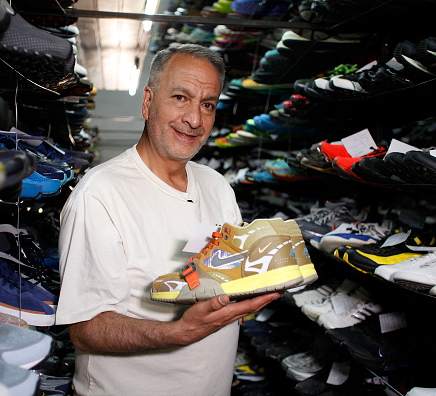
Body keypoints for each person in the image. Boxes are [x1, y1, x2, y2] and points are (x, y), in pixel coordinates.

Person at [55, 43, 280, 396]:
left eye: (208, 104)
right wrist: (179, 333)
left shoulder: (218, 186)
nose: (194, 119)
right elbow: (84, 327)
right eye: (180, 97)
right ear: (147, 102)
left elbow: (228, 277)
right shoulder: (100, 194)